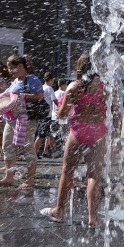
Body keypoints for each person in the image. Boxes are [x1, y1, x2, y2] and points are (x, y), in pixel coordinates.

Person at [41, 52, 111, 227]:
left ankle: (59, 211)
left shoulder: (75, 87)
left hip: (79, 132)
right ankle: (93, 218)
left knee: (68, 170)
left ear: (80, 67)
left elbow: (62, 114)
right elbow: (113, 112)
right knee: (94, 174)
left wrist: (60, 107)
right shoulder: (106, 87)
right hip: (98, 132)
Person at [0, 54, 44, 190]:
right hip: (11, 119)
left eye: (12, 68)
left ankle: (30, 179)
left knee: (27, 148)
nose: (10, 71)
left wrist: (21, 96)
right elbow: (8, 100)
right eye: (9, 68)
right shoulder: (14, 82)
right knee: (7, 146)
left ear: (21, 66)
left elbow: (39, 96)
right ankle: (9, 176)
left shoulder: (32, 79)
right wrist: (4, 112)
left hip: (26, 119)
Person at [34, 72, 58, 159]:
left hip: (41, 114)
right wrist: (61, 107)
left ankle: (47, 151)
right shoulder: (50, 88)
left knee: (46, 134)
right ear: (50, 80)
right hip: (47, 115)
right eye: (53, 80)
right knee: (41, 135)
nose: (53, 82)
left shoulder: (41, 87)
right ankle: (34, 153)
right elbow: (55, 100)